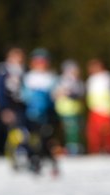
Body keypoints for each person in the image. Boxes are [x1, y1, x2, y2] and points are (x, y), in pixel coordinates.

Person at [21, 48, 59, 176]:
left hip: (47, 114)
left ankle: (48, 161)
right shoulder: (28, 77)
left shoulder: (51, 77)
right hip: (31, 114)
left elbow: (55, 96)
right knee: (32, 138)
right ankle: (33, 160)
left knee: (46, 139)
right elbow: (23, 95)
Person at [54, 59, 85, 154]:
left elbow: (81, 93)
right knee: (70, 130)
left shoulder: (77, 81)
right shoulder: (64, 80)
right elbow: (57, 94)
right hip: (66, 110)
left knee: (76, 130)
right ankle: (70, 148)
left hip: (76, 110)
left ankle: (75, 147)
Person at [85, 58, 110, 153]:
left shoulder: (108, 77)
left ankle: (109, 149)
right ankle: (95, 149)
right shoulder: (91, 79)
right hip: (94, 109)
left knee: (107, 131)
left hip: (105, 109)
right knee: (93, 132)